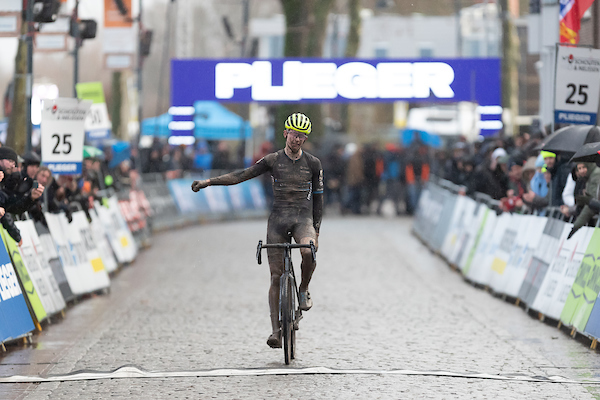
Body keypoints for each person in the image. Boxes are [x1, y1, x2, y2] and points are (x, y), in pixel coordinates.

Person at [191, 113, 323, 349]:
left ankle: (303, 290)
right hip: (278, 221)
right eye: (294, 134)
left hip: (303, 219)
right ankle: (275, 331)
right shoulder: (273, 160)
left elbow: (319, 199)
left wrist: (317, 231)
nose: (297, 139)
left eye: (302, 136)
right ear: (285, 134)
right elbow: (242, 175)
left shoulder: (313, 163)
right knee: (275, 276)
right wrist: (208, 182)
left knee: (307, 251)